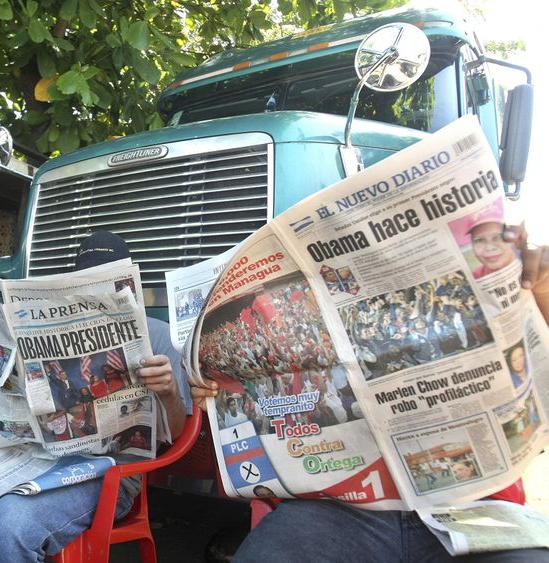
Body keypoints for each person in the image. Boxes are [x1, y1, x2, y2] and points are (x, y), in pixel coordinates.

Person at [190, 226, 549, 562]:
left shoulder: (503, 291)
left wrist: (544, 296)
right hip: (332, 509)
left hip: (477, 508)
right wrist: (212, 394)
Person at [0, 231, 192, 562]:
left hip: (107, 471)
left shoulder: (158, 336)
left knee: (10, 522)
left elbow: (175, 435)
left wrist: (169, 391)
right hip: (30, 454)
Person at [467, 206, 517, 279]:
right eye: (479, 240)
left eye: (497, 237)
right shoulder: (476, 276)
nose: (489, 248)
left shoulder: (528, 262)